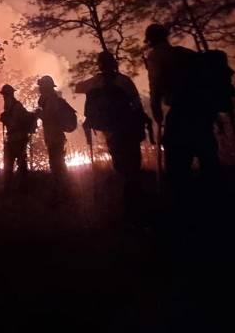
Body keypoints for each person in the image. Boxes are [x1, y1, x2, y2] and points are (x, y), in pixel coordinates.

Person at [145, 23, 221, 205]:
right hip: (202, 111)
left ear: (151, 40)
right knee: (208, 159)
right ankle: (215, 201)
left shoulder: (155, 55)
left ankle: (185, 206)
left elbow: (155, 87)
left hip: (181, 112)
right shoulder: (187, 54)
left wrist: (156, 112)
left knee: (177, 164)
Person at [75, 50, 152, 225]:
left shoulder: (95, 82)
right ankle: (135, 205)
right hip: (128, 130)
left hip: (111, 131)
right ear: (114, 63)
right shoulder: (124, 81)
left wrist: (95, 82)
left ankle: (130, 205)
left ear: (100, 65)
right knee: (133, 167)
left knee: (122, 167)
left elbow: (78, 87)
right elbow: (137, 104)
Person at [34, 75, 70, 186]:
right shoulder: (48, 100)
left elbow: (49, 117)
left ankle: (64, 188)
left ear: (46, 87)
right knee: (57, 164)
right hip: (53, 137)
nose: (39, 89)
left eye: (41, 86)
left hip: (55, 137)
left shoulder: (51, 100)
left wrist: (39, 114)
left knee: (57, 164)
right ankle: (64, 187)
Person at [0, 83, 35, 193]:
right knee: (10, 164)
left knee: (19, 164)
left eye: (5, 94)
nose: (4, 96)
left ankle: (22, 188)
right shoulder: (9, 106)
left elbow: (23, 118)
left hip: (18, 139)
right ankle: (10, 188)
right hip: (12, 139)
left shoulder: (16, 106)